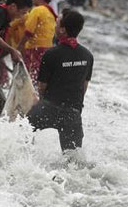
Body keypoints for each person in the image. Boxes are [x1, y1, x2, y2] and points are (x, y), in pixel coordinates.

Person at [27, 9, 93, 152]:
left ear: (62, 30)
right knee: (73, 161)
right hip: (73, 112)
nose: (54, 26)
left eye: (56, 23)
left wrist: (39, 102)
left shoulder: (51, 54)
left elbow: (41, 87)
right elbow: (84, 87)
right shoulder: (87, 55)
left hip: (49, 108)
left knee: (22, 130)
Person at [17, 0, 57, 83]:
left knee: (29, 78)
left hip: (34, 49)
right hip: (47, 49)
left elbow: (28, 32)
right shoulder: (50, 13)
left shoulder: (37, 10)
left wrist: (19, 47)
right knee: (38, 77)